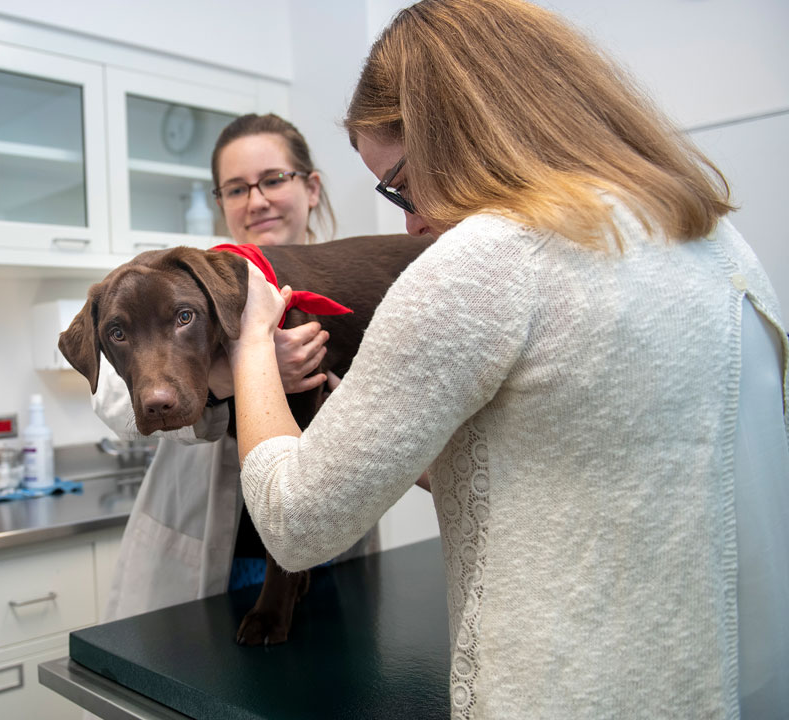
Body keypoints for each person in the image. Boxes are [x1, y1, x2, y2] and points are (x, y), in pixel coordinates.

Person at [228, 2, 788, 718]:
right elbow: (601, 467)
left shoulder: (487, 257)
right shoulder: (707, 237)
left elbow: (295, 525)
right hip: (735, 682)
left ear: (459, 130)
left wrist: (250, 341)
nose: (410, 219)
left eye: (400, 180)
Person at [92, 113, 377, 621]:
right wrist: (244, 372)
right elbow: (116, 402)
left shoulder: (357, 287)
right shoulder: (179, 282)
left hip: (331, 549)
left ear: (311, 188)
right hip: (208, 554)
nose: (257, 200)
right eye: (236, 189)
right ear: (220, 202)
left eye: (273, 180)